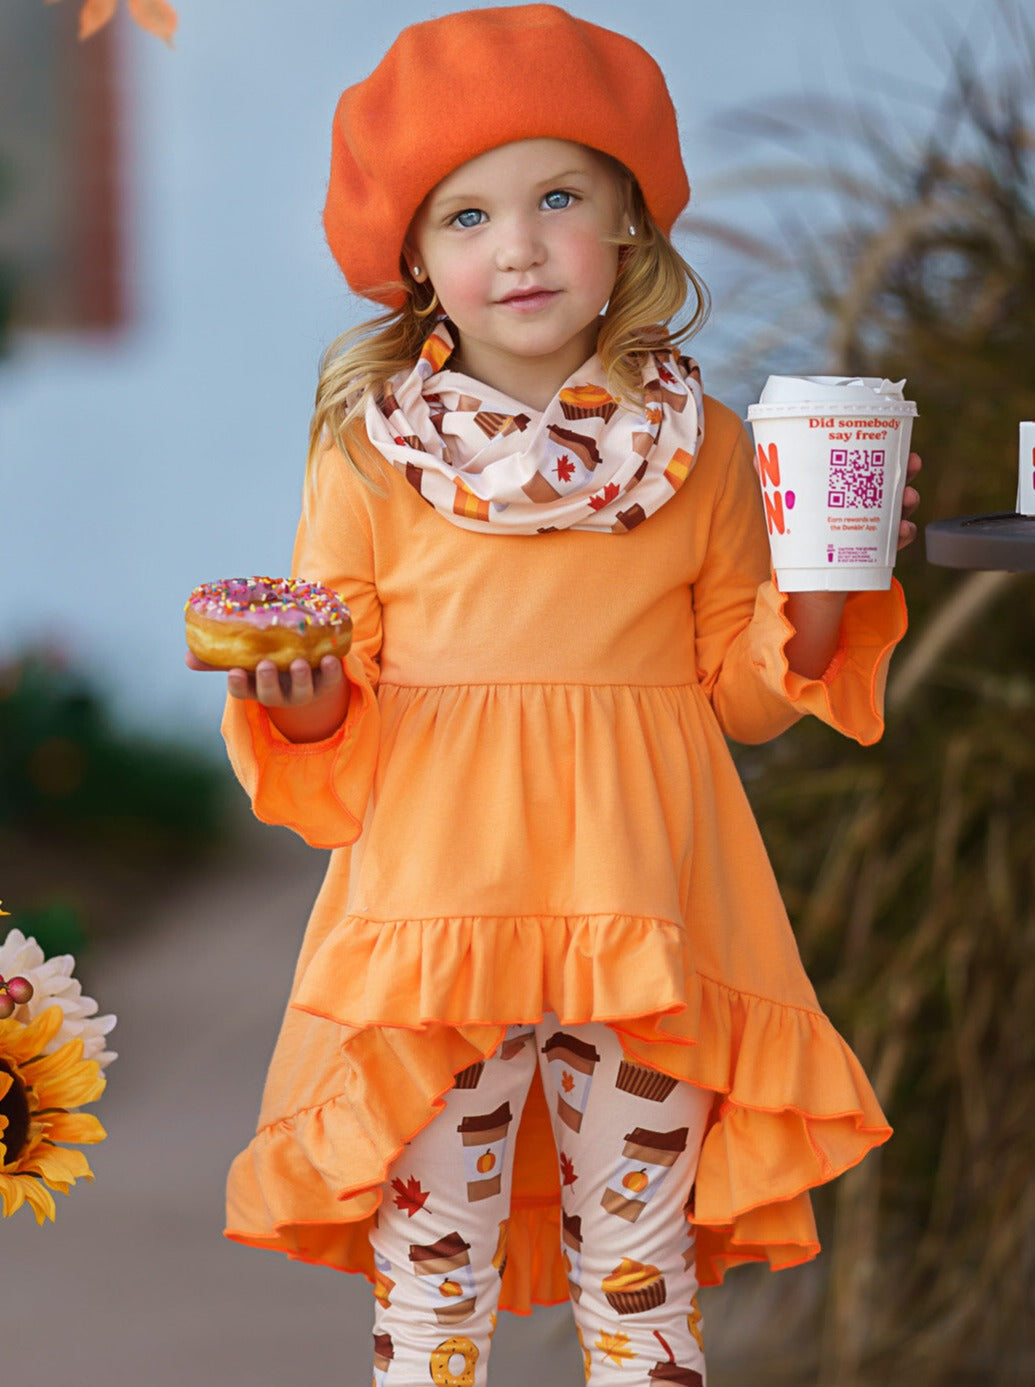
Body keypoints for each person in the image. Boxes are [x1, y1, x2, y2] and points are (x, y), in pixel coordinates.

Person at [188, 7, 921, 1384]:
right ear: (414, 258)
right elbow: (337, 711)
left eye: (560, 198)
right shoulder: (368, 454)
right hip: (439, 926)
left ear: (629, 224)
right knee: (431, 1276)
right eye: (467, 216)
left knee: (639, 1272)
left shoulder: (705, 447)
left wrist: (835, 569)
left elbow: (741, 694)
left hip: (645, 915)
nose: (517, 246)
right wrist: (299, 696)